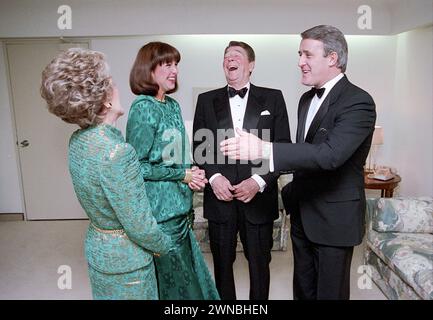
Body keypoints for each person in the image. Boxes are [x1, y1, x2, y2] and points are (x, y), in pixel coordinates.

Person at [220, 26, 376, 300]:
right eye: (299, 54)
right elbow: (303, 153)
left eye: (307, 54)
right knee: (302, 292)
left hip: (334, 221)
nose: (300, 62)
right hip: (303, 216)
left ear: (332, 58)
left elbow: (330, 156)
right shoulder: (306, 99)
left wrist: (264, 149)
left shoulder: (358, 101)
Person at [40, 48, 174, 300]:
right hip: (128, 263)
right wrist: (165, 246)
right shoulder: (118, 152)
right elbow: (141, 226)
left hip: (99, 249)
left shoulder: (77, 140)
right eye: (111, 83)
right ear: (106, 100)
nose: (118, 87)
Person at [193, 41, 291, 300]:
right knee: (222, 265)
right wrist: (213, 178)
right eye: (225, 57)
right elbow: (200, 147)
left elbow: (282, 149)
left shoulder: (273, 98)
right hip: (220, 198)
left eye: (235, 55)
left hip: (258, 198)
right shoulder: (205, 100)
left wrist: (258, 181)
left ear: (251, 65)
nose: (229, 60)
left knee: (260, 265)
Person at [126, 41, 219, 300]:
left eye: (176, 64)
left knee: (190, 279)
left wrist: (192, 173)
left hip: (181, 209)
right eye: (167, 64)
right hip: (160, 215)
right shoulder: (143, 107)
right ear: (149, 68)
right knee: (175, 285)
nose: (174, 70)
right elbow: (138, 166)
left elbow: (178, 155)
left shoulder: (172, 105)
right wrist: (182, 175)